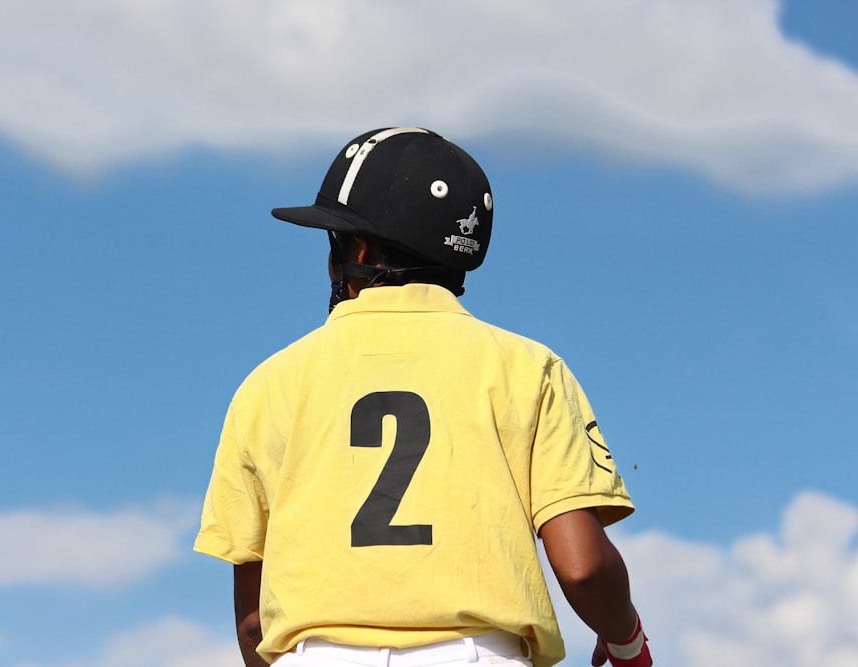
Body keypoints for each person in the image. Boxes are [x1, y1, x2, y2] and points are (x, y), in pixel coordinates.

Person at [194, 127, 652, 667]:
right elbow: (583, 567)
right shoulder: (529, 368)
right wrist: (627, 643)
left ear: (358, 250)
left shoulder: (267, 383)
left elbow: (253, 623)